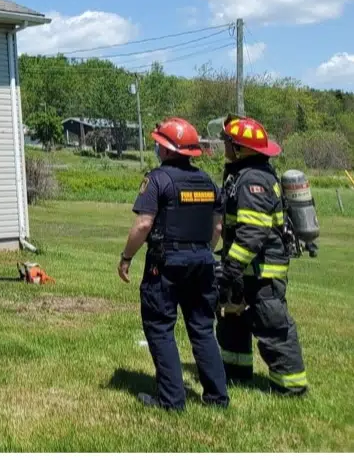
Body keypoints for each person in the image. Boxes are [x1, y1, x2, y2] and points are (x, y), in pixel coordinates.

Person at [118, 117, 228, 411]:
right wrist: (202, 253)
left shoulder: (156, 179)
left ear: (166, 149)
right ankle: (217, 397)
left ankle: (171, 401)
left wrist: (126, 257)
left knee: (160, 327)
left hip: (165, 264)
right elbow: (217, 228)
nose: (156, 147)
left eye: (158, 143)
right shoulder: (208, 182)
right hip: (203, 261)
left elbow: (143, 224)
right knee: (202, 329)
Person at [215, 114, 308, 396]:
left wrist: (230, 268)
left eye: (228, 143)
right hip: (248, 270)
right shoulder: (245, 174)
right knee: (234, 320)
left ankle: (290, 386)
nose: (225, 147)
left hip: (263, 273)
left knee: (272, 327)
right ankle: (237, 373)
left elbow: (252, 233)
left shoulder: (252, 180)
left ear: (241, 149)